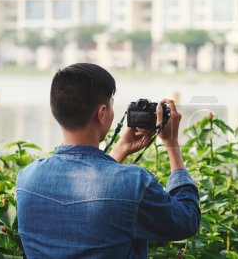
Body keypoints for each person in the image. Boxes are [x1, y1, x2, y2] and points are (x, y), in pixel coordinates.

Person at [16, 63, 200, 258]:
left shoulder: (26, 180)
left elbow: (92, 189)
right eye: (111, 105)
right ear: (102, 113)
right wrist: (171, 144)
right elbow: (186, 221)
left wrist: (120, 149)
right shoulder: (134, 183)